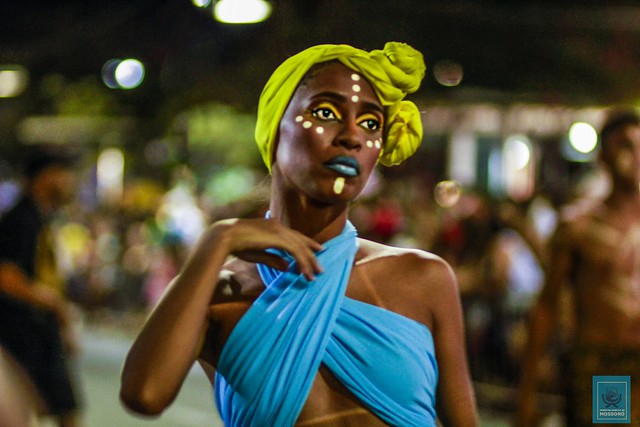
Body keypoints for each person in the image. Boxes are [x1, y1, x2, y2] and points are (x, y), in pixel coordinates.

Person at [120, 42, 478, 426]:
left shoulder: (422, 278)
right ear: (275, 129)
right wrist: (218, 240)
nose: (352, 136)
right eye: (326, 112)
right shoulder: (220, 292)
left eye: (371, 123)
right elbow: (145, 394)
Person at [516, 109, 640, 426]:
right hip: (607, 365)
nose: (636, 156)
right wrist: (527, 392)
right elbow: (547, 305)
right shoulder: (579, 226)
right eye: (625, 146)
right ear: (603, 157)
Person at [0, 144, 82, 427]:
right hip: (20, 334)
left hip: (37, 333)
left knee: (63, 410)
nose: (70, 182)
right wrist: (54, 304)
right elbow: (7, 277)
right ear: (46, 177)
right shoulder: (20, 220)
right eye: (64, 174)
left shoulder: (40, 218)